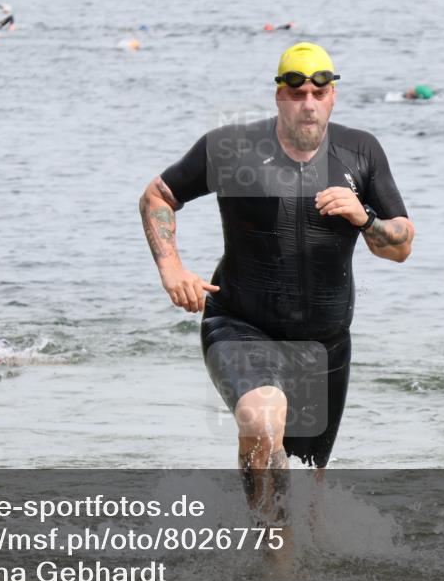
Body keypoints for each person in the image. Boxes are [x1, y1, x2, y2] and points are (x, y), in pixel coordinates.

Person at [138, 42, 414, 517]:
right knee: (263, 419)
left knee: (306, 494)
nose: (308, 103)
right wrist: (171, 269)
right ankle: (273, 567)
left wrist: (364, 217)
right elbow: (158, 197)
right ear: (278, 96)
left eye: (318, 93)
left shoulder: (360, 151)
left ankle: (281, 562)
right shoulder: (232, 148)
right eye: (297, 92)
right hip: (241, 324)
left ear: (333, 97)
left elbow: (402, 245)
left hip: (324, 343)